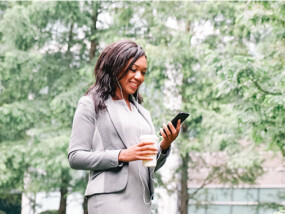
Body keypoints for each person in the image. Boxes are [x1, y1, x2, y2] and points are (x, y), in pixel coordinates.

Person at [68, 40, 181, 214]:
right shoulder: (90, 104)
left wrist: (165, 144)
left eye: (143, 72)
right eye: (133, 69)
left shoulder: (142, 113)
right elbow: (75, 157)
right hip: (109, 198)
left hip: (141, 198)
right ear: (115, 66)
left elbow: (147, 165)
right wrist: (121, 155)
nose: (139, 77)